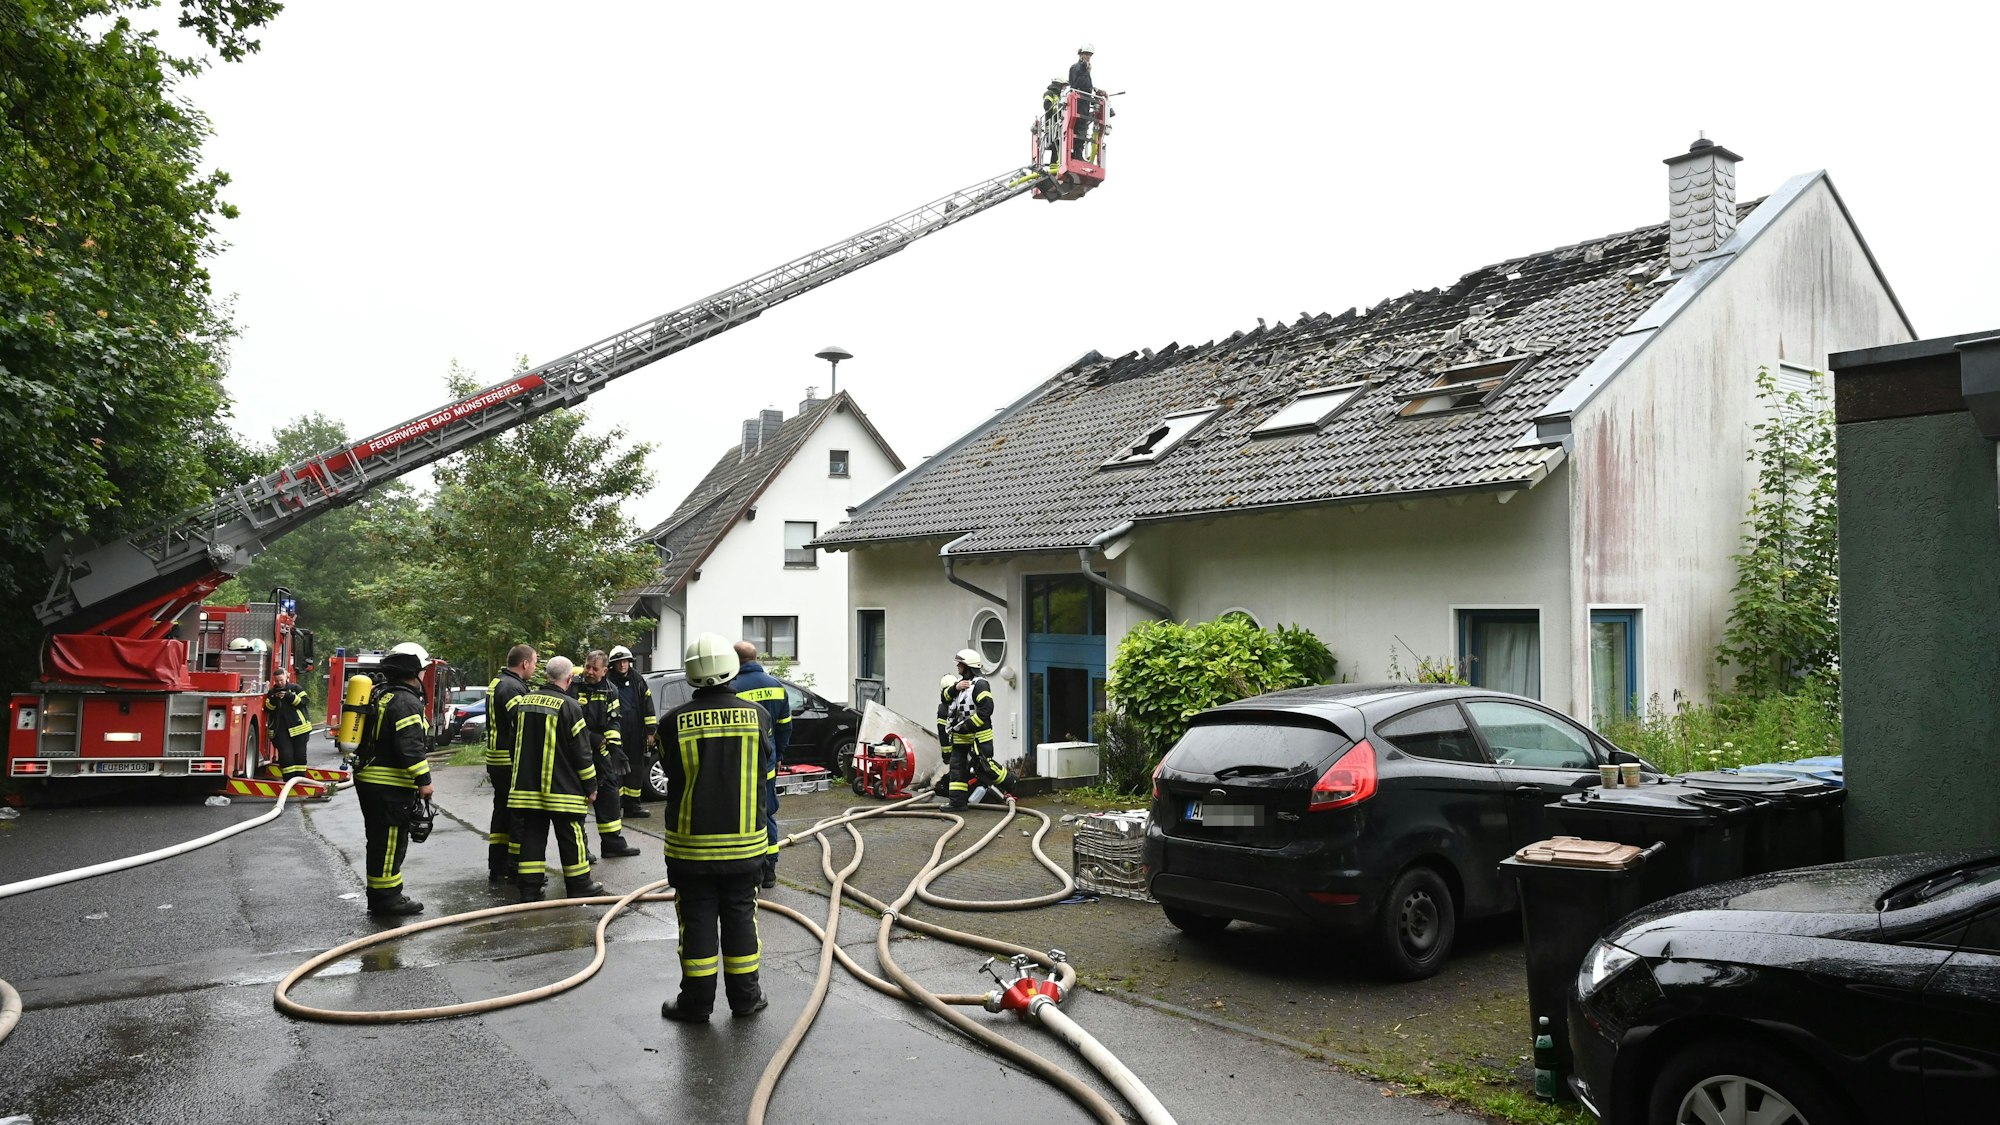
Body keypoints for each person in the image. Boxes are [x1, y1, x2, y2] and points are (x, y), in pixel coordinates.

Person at [658, 633, 771, 1023]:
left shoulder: (671, 723)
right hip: (744, 846)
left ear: (691, 674)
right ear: (731, 669)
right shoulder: (757, 716)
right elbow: (766, 768)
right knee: (741, 917)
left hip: (691, 849)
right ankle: (745, 1000)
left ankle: (696, 1003)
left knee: (698, 921)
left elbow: (672, 775)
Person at [504, 656, 607, 903]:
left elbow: (513, 742)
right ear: (569, 679)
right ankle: (580, 885)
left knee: (531, 837)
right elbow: (582, 753)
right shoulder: (570, 706)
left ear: (547, 675)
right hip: (562, 791)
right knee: (571, 836)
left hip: (526, 789)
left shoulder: (523, 703)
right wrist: (591, 786)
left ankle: (529, 888)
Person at [352, 641, 435, 917]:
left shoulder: (382, 695)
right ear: (413, 671)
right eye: (422, 670)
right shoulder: (407, 701)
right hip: (388, 784)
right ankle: (387, 899)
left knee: (378, 840)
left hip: (370, 779)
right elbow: (410, 746)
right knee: (389, 841)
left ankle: (382, 894)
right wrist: (424, 780)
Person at [728, 641, 791, 890]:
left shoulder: (732, 689)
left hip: (739, 765)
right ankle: (770, 871)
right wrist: (780, 753)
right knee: (767, 813)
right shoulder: (776, 686)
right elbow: (786, 726)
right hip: (768, 762)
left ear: (736, 661)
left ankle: (745, 869)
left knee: (740, 816)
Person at [576, 650, 641, 858]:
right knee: (578, 801)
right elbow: (568, 721)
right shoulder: (574, 687)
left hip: (601, 752)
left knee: (610, 794)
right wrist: (592, 737)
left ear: (605, 671)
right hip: (576, 752)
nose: (589, 672)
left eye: (595, 668)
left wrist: (615, 748)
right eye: (587, 666)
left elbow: (614, 721)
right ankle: (580, 850)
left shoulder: (611, 690)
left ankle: (613, 844)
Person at [484, 644, 538, 883]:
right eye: (534, 663)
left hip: (497, 759)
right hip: (510, 760)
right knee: (518, 815)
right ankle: (516, 868)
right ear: (525, 663)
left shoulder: (498, 682)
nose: (535, 668)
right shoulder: (512, 687)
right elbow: (522, 723)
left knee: (502, 814)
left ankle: (498, 864)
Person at [943, 648, 1012, 809]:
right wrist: (955, 688)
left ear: (968, 666)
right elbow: (944, 697)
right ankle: (957, 802)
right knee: (957, 770)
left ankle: (1012, 784)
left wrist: (967, 726)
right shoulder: (960, 685)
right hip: (961, 737)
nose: (958, 667)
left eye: (960, 664)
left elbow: (986, 709)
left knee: (984, 768)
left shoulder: (980, 685)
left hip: (978, 738)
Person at [605, 644, 656, 821]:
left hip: (636, 732)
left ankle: (633, 807)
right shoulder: (607, 682)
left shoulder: (638, 680)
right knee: (615, 770)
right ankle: (615, 807)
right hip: (615, 732)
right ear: (613, 664)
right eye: (619, 662)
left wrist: (651, 732)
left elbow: (648, 706)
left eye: (625, 661)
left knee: (636, 769)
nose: (622, 665)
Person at [263, 669, 313, 782]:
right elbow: (268, 708)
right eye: (277, 681)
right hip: (280, 730)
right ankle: (289, 781)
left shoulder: (296, 688)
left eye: (281, 680)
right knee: (286, 756)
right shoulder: (272, 693)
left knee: (300, 756)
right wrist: (275, 698)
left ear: (286, 678)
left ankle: (300, 780)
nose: (279, 683)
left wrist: (289, 696)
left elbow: (304, 701)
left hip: (299, 728)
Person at [1066, 44, 1101, 160]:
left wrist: (1096, 90)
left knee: (1082, 128)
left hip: (1084, 102)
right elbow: (1077, 83)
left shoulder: (1085, 70)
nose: (1088, 57)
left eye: (1089, 55)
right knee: (1079, 128)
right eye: (1086, 54)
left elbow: (1085, 85)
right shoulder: (1076, 67)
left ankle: (1078, 153)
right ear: (1081, 55)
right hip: (1079, 101)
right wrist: (1084, 67)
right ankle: (1076, 154)